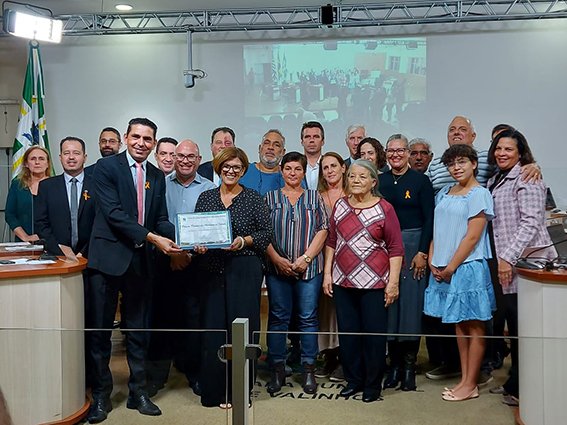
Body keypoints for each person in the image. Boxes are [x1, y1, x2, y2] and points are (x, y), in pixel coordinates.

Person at [86, 118, 181, 423]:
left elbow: (161, 217)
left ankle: (138, 392)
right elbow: (114, 214)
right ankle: (101, 395)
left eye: (148, 138)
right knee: (100, 331)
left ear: (154, 144)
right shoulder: (106, 168)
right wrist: (153, 237)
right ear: (126, 137)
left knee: (139, 330)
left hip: (141, 262)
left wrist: (180, 236)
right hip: (107, 260)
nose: (141, 142)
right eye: (136, 136)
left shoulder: (156, 174)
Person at [194, 147, 272, 408]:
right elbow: (197, 234)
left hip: (244, 268)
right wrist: (198, 245)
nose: (231, 171)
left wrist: (242, 241)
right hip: (211, 269)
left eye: (237, 167)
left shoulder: (252, 198)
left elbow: (265, 234)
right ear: (218, 167)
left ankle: (239, 392)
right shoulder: (205, 198)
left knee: (242, 330)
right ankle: (215, 391)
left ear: (243, 171)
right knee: (214, 330)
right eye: (226, 166)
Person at [323, 159, 404, 403]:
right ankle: (353, 380)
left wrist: (393, 283)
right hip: (342, 282)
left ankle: (372, 385)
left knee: (373, 337)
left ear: (373, 182)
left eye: (362, 177)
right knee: (348, 336)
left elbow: (396, 248)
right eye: (353, 176)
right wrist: (328, 273)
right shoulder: (340, 206)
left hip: (374, 284)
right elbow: (331, 242)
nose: (356, 181)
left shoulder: (384, 208)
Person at [486, 129, 556, 407]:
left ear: (520, 153)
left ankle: (525, 387)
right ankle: (515, 381)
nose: (502, 153)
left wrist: (508, 258)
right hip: (505, 264)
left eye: (509, 150)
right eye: (498, 149)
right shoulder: (495, 179)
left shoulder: (528, 177)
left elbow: (531, 223)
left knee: (524, 328)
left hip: (527, 264)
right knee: (514, 327)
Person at [424, 144, 496, 402]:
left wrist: (452, 266)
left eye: (462, 162)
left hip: (467, 267)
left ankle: (471, 382)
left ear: (474, 163)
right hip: (443, 266)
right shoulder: (444, 192)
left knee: (474, 326)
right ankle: (464, 380)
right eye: (452, 164)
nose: (457, 167)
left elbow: (473, 236)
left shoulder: (479, 194)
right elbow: (436, 229)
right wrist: (433, 258)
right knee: (459, 325)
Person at [146, 139, 215, 398]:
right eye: (181, 156)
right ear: (173, 158)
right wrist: (176, 251)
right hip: (165, 262)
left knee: (194, 320)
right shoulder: (159, 186)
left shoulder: (210, 188)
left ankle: (194, 373)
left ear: (199, 160)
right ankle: (157, 377)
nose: (186, 160)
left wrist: (189, 252)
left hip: (198, 264)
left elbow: (211, 227)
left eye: (191, 157)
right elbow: (155, 221)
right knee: (162, 320)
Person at [264, 151, 329, 396]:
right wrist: (276, 259)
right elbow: (262, 232)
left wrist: (307, 258)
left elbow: (323, 229)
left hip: (309, 269)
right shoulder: (269, 198)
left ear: (304, 172)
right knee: (279, 318)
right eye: (288, 169)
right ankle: (278, 369)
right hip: (276, 268)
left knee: (308, 319)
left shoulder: (314, 198)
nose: (293, 173)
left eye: (298, 169)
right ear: (281, 171)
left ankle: (308, 370)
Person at [380, 134, 434, 391]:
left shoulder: (421, 181)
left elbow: (429, 220)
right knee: (390, 308)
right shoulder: (379, 181)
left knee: (411, 308)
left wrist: (423, 252)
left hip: (413, 249)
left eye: (401, 150)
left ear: (409, 153)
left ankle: (409, 367)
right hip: (386, 250)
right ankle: (394, 366)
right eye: (391, 151)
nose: (396, 155)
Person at [315, 152, 348, 382]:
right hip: (322, 259)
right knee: (326, 311)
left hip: (348, 258)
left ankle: (347, 359)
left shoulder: (354, 193)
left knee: (345, 311)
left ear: (343, 168)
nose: (330, 171)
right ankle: (330, 356)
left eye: (333, 166)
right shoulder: (317, 196)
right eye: (325, 167)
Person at [34, 137, 95, 257]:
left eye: (76, 153)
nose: (71, 157)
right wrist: (58, 248)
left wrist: (84, 252)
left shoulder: (97, 185)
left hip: (91, 255)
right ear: (60, 157)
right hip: (57, 256)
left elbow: (101, 222)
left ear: (85, 157)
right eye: (66, 153)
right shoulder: (47, 186)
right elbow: (40, 223)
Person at [5, 145, 51, 242]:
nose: (37, 162)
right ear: (26, 163)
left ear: (47, 163)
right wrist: (25, 237)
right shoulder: (17, 184)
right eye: (33, 159)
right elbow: (10, 215)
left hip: (52, 242)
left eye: (41, 159)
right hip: (23, 243)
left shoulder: (56, 185)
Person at [239, 129, 286, 195]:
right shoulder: (243, 172)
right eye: (267, 143)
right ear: (260, 148)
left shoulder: (290, 177)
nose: (270, 147)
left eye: (276, 145)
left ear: (283, 152)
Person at [300, 121, 325, 190]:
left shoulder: (330, 166)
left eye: (316, 137)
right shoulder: (295, 166)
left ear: (323, 141)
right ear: (302, 142)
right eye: (307, 137)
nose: (311, 140)